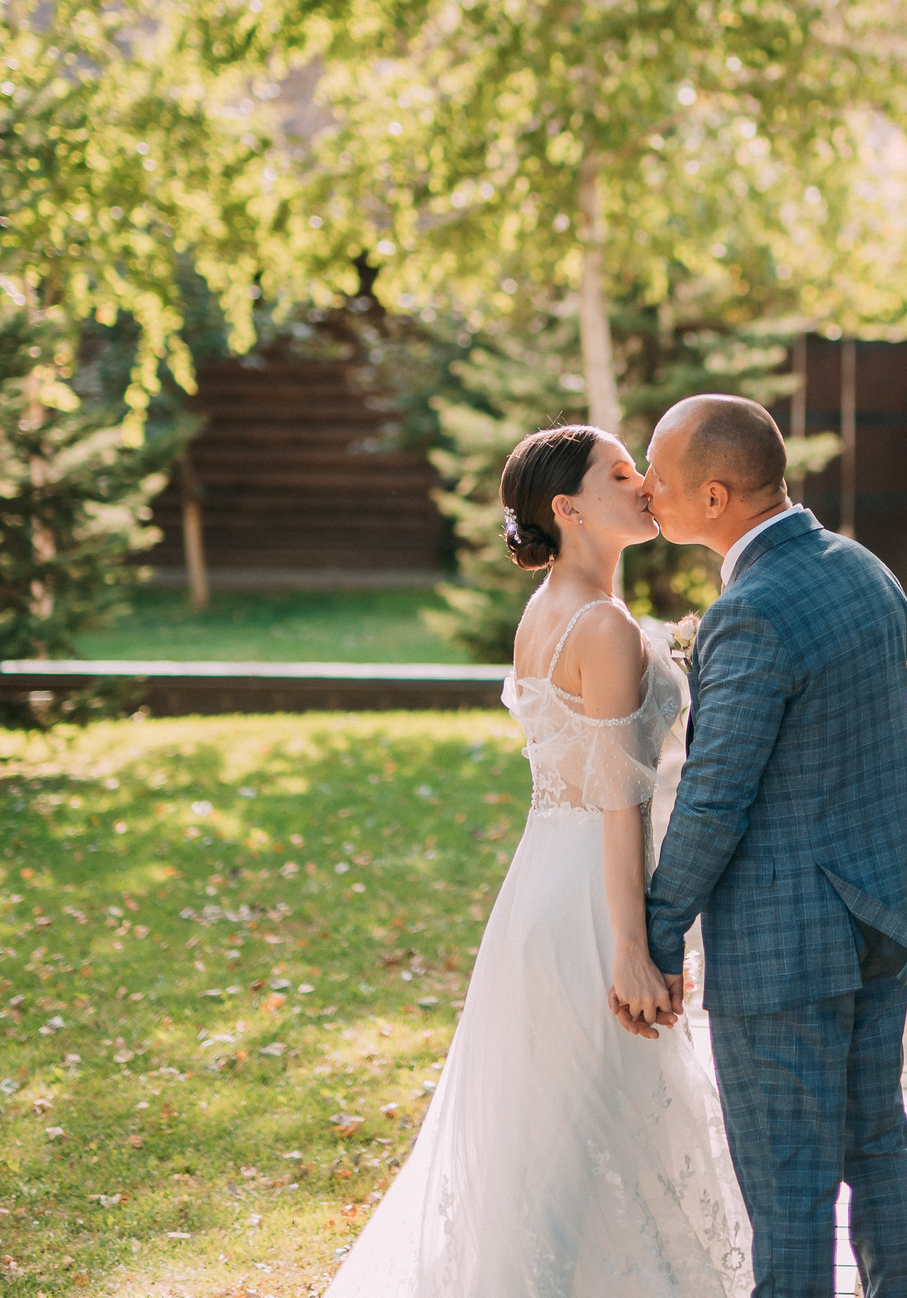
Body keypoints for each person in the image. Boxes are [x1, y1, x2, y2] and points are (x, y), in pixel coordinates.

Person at [324, 424, 750, 1297]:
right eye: (623, 472)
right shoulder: (596, 625)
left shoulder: (553, 608)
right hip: (591, 896)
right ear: (568, 507)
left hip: (544, 884)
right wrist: (633, 948)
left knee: (567, 1123)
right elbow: (617, 801)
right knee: (584, 1119)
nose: (644, 483)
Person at [639, 394, 907, 1298]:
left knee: (788, 1190)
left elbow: (713, 801)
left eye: (662, 473)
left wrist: (659, 935)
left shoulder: (755, 610)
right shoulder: (863, 569)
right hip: (880, 914)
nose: (648, 487)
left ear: (717, 495)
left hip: (790, 940)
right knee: (878, 1142)